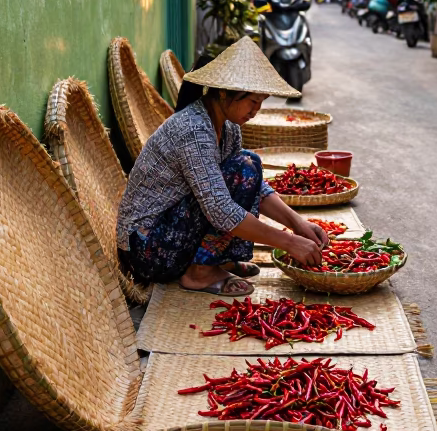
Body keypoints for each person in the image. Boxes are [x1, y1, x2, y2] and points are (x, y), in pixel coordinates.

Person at [116, 36, 328, 295]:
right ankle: (200, 273)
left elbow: (252, 186)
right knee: (245, 166)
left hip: (172, 234)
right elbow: (219, 208)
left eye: (261, 103)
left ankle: (214, 260)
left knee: (247, 166)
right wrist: (290, 242)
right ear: (224, 93)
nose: (256, 111)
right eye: (252, 102)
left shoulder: (228, 128)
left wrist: (298, 224)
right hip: (147, 250)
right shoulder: (193, 129)